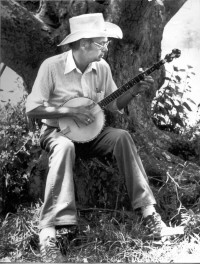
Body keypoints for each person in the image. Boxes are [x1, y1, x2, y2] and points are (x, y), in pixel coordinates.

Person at [26, 13, 167, 262]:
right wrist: (69, 110)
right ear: (84, 44)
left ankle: (149, 214)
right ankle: (49, 232)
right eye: (102, 43)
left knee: (122, 137)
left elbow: (114, 105)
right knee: (65, 147)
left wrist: (133, 91)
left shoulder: (101, 68)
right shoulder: (52, 66)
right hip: (57, 133)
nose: (106, 48)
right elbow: (33, 109)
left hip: (92, 135)